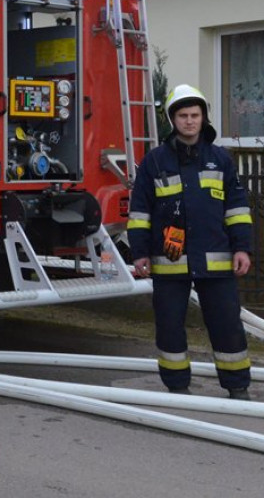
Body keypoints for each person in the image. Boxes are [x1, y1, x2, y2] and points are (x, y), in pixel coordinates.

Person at [127, 84, 254, 399]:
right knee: (169, 326)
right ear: (173, 120)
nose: (189, 121)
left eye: (195, 115)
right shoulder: (154, 162)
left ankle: (237, 386)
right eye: (183, 115)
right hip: (169, 262)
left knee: (227, 325)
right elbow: (140, 212)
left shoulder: (220, 159)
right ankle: (177, 385)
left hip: (217, 260)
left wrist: (242, 248)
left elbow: (237, 209)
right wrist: (139, 253)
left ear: (203, 118)